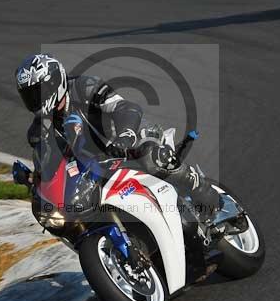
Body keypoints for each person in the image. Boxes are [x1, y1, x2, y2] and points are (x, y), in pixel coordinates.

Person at [14, 53, 221, 224]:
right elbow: (49, 167)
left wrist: (126, 135)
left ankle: (202, 190)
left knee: (151, 157)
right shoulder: (38, 131)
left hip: (128, 140)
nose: (34, 100)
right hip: (98, 168)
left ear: (54, 83)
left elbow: (126, 108)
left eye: (37, 92)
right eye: (29, 95)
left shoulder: (84, 87)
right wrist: (33, 179)